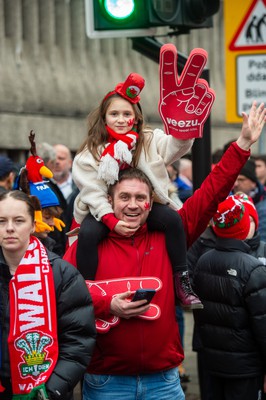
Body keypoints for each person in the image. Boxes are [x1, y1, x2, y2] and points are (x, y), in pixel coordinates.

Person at [72, 72, 202, 309]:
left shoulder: (149, 140)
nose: (121, 119)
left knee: (173, 221)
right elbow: (92, 193)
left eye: (126, 114)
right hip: (104, 211)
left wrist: (184, 128)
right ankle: (84, 290)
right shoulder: (88, 154)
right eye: (114, 114)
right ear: (104, 118)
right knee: (88, 235)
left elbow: (175, 147)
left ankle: (181, 282)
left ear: (136, 117)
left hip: (143, 206)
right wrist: (112, 221)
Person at [0, 190, 96, 400]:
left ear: (33, 225)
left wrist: (51, 390)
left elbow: (78, 340)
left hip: (43, 391)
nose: (9, 228)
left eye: (18, 221)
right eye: (1, 221)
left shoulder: (62, 274)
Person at [192, 195, 266, 400]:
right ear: (243, 226)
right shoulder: (253, 268)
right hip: (246, 367)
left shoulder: (203, 260)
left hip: (213, 362)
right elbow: (263, 324)